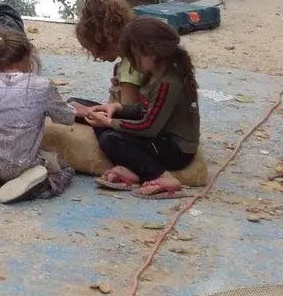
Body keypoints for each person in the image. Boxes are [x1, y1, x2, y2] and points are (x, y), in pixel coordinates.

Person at [85, 17, 200, 198]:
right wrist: (118, 108)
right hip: (159, 135)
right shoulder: (153, 74)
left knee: (110, 139)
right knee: (101, 123)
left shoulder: (168, 83)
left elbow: (148, 127)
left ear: (150, 53)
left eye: (134, 55)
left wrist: (110, 122)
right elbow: (145, 109)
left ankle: (162, 176)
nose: (133, 62)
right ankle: (133, 170)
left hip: (175, 149)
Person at [0, 29, 77, 203]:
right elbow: (66, 117)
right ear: (28, 56)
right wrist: (77, 110)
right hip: (21, 164)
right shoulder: (43, 85)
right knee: (63, 166)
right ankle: (35, 179)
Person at [71, 0, 142, 119]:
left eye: (93, 49)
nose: (95, 56)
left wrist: (89, 112)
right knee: (72, 105)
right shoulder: (136, 50)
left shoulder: (129, 65)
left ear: (106, 40)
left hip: (129, 123)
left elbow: (129, 115)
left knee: (71, 107)